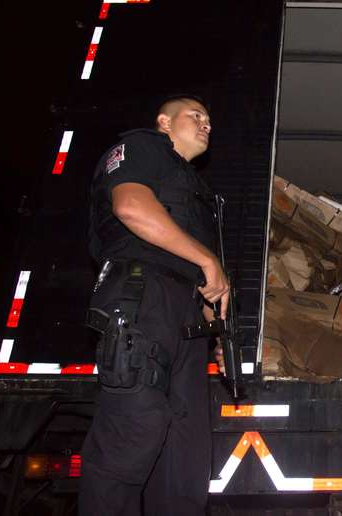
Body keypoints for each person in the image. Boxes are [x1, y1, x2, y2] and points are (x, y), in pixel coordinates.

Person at [79, 95, 229, 515]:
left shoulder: (197, 190)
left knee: (185, 458)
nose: (206, 124)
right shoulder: (145, 147)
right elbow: (129, 205)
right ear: (164, 121)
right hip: (143, 295)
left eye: (209, 119)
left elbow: (199, 277)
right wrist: (207, 260)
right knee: (133, 431)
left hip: (183, 318)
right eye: (195, 116)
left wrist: (213, 327)